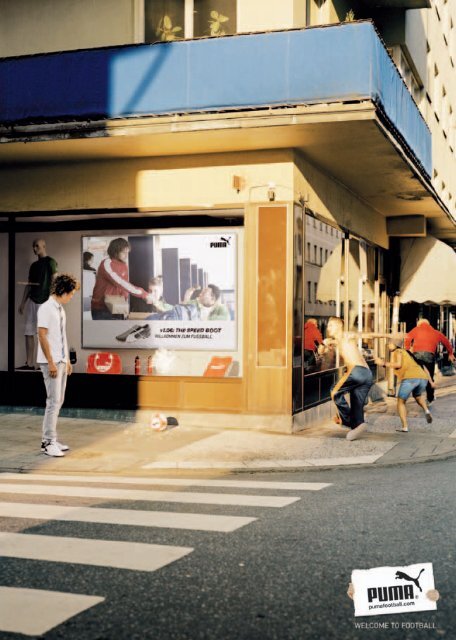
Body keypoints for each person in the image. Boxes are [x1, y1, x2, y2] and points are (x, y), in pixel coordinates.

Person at [37, 273, 80, 457]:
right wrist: (51, 362)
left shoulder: (60, 309)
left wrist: (67, 360)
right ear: (63, 290)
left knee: (58, 401)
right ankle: (48, 442)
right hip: (51, 362)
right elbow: (42, 335)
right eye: (70, 294)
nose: (71, 297)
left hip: (61, 361)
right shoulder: (46, 308)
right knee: (53, 402)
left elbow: (62, 335)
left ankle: (52, 439)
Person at [321, 316, 374, 441]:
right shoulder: (338, 340)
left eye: (331, 325)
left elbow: (370, 334)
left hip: (357, 371)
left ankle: (346, 420)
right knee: (357, 405)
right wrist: (326, 345)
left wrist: (389, 336)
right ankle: (358, 425)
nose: (328, 328)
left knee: (334, 391)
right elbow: (332, 345)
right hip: (367, 374)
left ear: (339, 326)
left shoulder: (346, 335)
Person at [375, 338, 434, 433]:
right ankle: (426, 410)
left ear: (394, 344)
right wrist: (430, 381)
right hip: (422, 378)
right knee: (418, 396)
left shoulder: (397, 351)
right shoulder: (407, 353)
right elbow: (422, 366)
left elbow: (398, 364)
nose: (388, 345)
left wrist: (383, 363)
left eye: (389, 343)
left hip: (410, 378)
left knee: (400, 402)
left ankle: (405, 427)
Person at [18, 239, 58, 369]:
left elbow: (55, 281)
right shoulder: (33, 266)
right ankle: (29, 363)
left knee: (43, 334)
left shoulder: (51, 262)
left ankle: (44, 364)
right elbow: (29, 285)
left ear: (44, 246)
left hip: (44, 302)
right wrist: (22, 303)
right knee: (29, 332)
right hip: (32, 301)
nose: (34, 249)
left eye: (37, 246)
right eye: (33, 246)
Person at [91, 238, 153, 319]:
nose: (126, 255)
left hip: (117, 307)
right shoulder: (107, 263)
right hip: (102, 309)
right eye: (124, 252)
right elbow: (120, 282)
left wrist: (124, 308)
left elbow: (124, 289)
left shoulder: (124, 265)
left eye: (127, 252)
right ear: (115, 251)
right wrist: (143, 294)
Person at [405, 319, 455, 403]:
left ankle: (415, 393)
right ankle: (430, 398)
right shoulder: (435, 332)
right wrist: (450, 353)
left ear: (419, 324)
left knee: (416, 374)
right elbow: (446, 341)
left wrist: (407, 349)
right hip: (429, 355)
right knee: (429, 377)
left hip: (417, 354)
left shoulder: (416, 329)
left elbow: (408, 337)